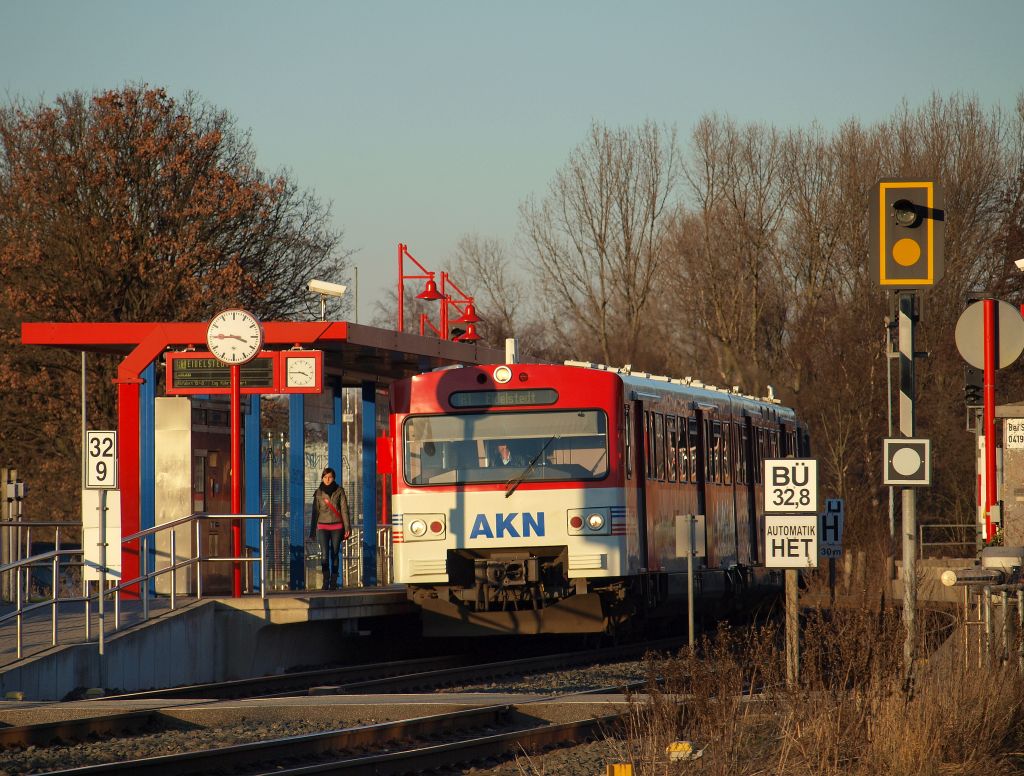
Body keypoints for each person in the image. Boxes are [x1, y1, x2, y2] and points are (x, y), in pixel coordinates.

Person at [308, 467, 351, 590]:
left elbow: (344, 510)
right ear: (322, 478)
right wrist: (312, 531)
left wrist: (347, 527)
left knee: (335, 553)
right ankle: (325, 579)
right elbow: (315, 513)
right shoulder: (318, 493)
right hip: (322, 526)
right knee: (324, 555)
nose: (327, 479)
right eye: (325, 477)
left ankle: (333, 580)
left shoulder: (339, 491)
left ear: (334, 478)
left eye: (330, 477)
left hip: (337, 526)